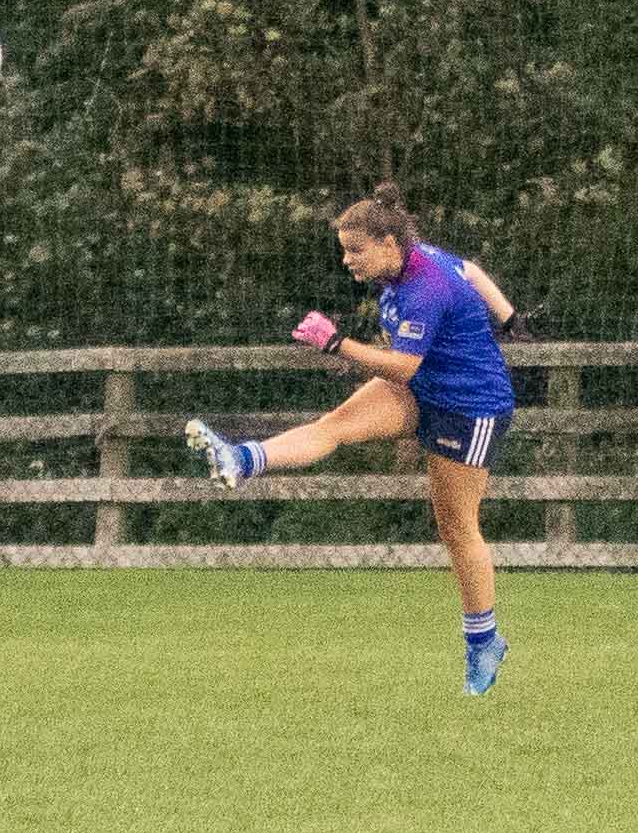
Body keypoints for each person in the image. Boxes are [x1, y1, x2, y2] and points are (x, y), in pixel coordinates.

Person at [185, 184, 521, 693]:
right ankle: (241, 458)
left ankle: (484, 641)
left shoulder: (424, 288)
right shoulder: (415, 259)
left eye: (355, 250)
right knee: (334, 426)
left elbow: (403, 366)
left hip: (469, 409)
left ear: (388, 243)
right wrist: (510, 317)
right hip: (425, 388)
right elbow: (471, 270)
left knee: (456, 527)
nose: (347, 260)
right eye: (344, 250)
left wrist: (338, 344)